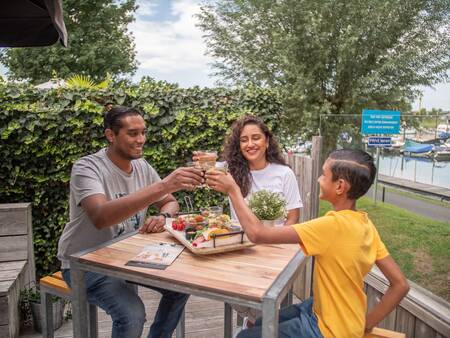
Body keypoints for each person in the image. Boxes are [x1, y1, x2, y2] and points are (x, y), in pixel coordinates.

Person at [206, 149, 410, 338]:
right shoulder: (366, 224)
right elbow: (400, 284)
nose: (319, 179)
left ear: (340, 186)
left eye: (324, 174)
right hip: (331, 313)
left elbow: (258, 234)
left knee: (244, 337)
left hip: (326, 329)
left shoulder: (331, 226)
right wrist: (365, 324)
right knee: (259, 322)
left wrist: (233, 191)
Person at [57, 106, 204, 338]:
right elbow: (101, 217)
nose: (141, 140)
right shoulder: (87, 167)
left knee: (180, 287)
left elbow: (170, 202)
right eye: (133, 133)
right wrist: (164, 185)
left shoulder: (142, 167)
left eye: (143, 132)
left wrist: (163, 216)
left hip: (125, 258)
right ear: (110, 135)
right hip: (83, 263)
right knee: (132, 313)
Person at [206, 115, 303, 225]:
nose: (250, 144)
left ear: (266, 142)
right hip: (240, 241)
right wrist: (203, 159)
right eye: (244, 140)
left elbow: (293, 218)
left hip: (275, 240)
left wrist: (278, 241)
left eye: (256, 138)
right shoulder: (229, 171)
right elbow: (205, 169)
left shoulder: (285, 173)